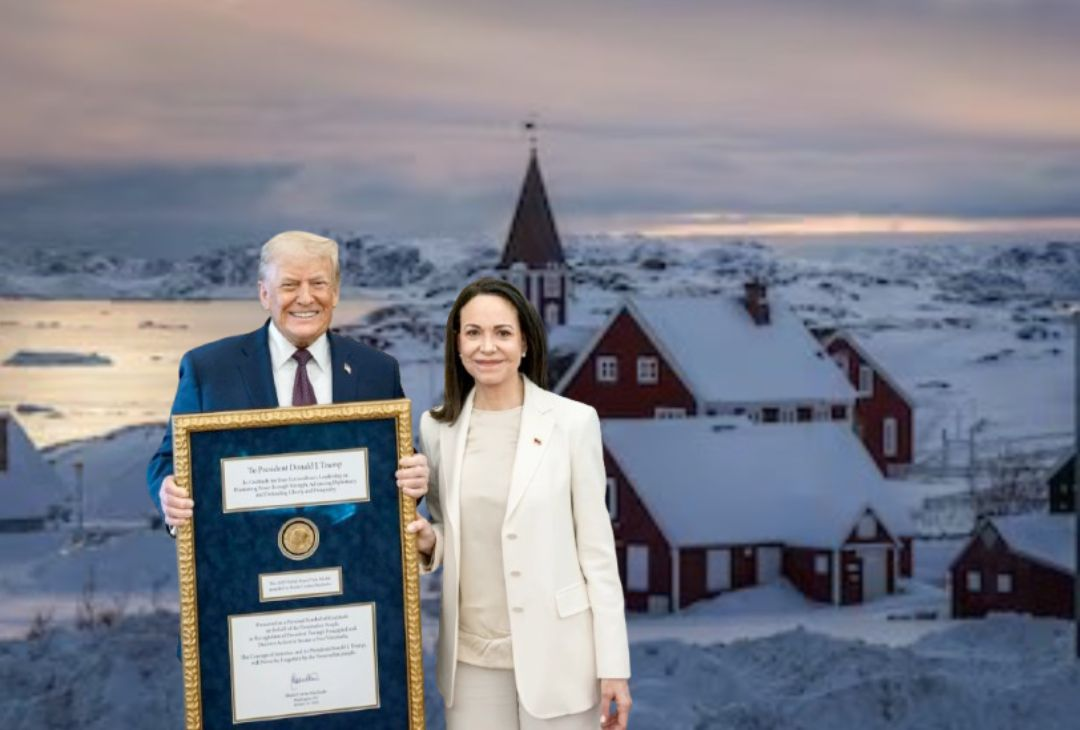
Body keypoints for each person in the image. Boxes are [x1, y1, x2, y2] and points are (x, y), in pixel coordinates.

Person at [407, 277, 632, 729]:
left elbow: (597, 553)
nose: (487, 347)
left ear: (525, 343)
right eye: (473, 333)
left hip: (560, 654)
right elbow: (449, 528)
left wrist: (615, 667)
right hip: (470, 658)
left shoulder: (573, 422)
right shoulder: (436, 427)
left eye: (502, 333)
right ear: (457, 343)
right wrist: (430, 540)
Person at [147, 230, 428, 530]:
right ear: (265, 294)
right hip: (243, 560)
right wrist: (168, 492)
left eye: (318, 284)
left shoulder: (377, 370)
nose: (305, 298)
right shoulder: (209, 370)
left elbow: (394, 464)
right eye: (290, 285)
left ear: (335, 293)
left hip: (349, 561)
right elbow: (170, 459)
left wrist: (415, 477)